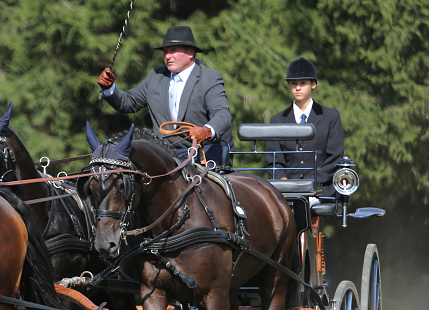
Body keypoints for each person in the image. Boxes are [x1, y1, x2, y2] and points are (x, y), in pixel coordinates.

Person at [97, 26, 233, 166]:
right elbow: (128, 102)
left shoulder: (209, 78)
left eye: (173, 51)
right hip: (164, 159)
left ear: (190, 53)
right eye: (165, 52)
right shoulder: (156, 76)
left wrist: (207, 130)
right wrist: (109, 88)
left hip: (202, 155)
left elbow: (222, 114)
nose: (168, 56)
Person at [266, 57, 344, 204]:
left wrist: (313, 183)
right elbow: (274, 160)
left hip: (320, 189)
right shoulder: (277, 120)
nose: (298, 88)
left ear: (313, 84)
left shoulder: (331, 117)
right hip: (286, 191)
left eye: (303, 83)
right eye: (293, 83)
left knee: (305, 206)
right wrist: (284, 182)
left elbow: (335, 157)